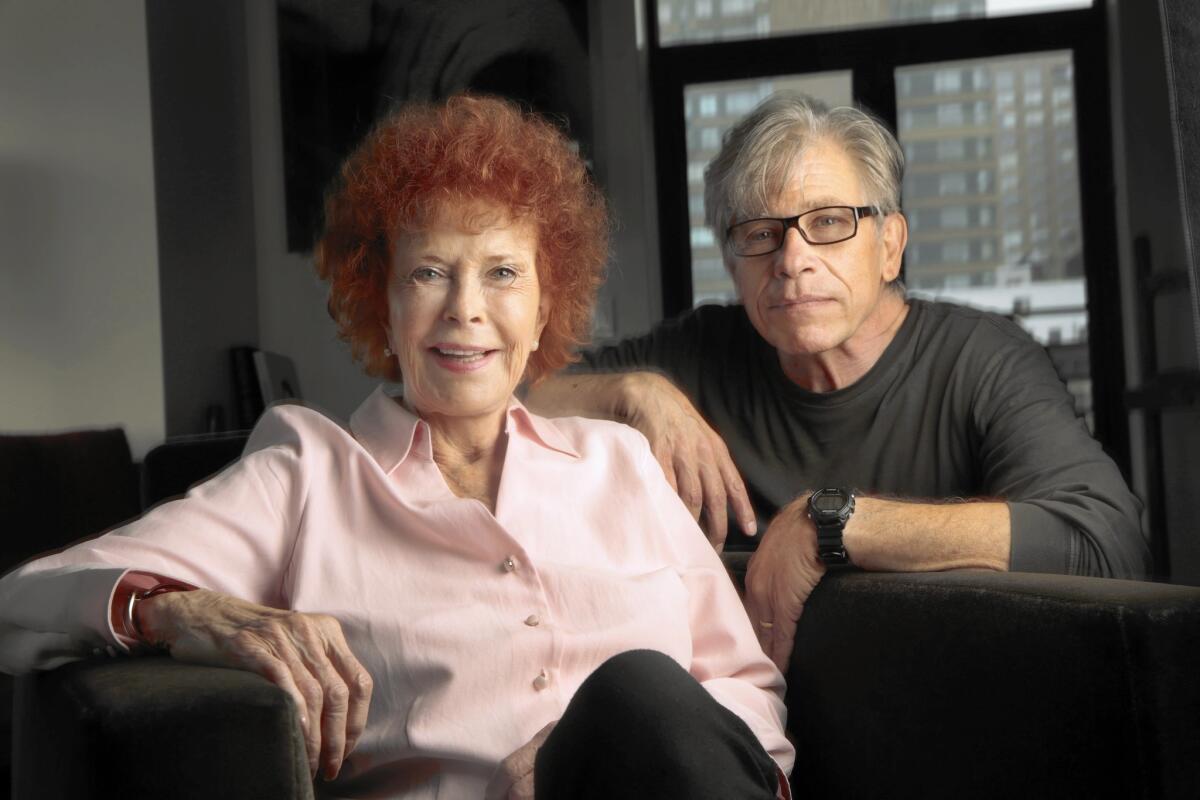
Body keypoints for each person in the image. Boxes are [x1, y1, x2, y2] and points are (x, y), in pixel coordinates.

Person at [0, 95, 792, 799]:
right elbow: (27, 596)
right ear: (381, 305)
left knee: (641, 695)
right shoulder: (306, 474)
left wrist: (608, 748)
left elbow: (745, 685)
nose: (466, 311)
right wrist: (185, 610)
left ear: (547, 308)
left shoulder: (622, 464)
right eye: (430, 273)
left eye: (504, 273)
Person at [526, 92, 1150, 672]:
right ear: (732, 264)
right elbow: (500, 397)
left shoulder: (983, 361)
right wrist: (636, 394)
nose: (792, 259)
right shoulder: (694, 356)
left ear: (890, 246)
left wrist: (831, 525)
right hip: (756, 736)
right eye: (761, 234)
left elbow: (1106, 546)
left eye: (829, 223)